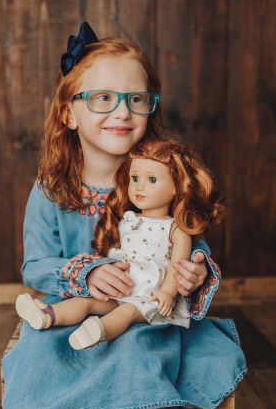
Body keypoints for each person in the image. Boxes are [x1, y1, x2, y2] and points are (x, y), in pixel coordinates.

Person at [0, 22, 247, 409]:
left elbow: (185, 248)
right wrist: (82, 275)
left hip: (142, 316)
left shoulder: (162, 177)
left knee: (138, 352)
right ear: (69, 112)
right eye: (102, 98)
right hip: (75, 315)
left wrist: (192, 273)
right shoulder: (51, 190)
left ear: (150, 109)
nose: (121, 111)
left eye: (135, 99)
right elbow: (34, 265)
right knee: (31, 355)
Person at [14, 136, 224, 352]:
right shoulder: (129, 218)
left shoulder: (175, 229)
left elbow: (178, 266)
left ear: (176, 187)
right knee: (85, 302)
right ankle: (48, 315)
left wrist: (168, 293)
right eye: (134, 178)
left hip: (151, 296)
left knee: (127, 313)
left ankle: (99, 331)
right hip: (125, 287)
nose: (140, 187)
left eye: (152, 180)